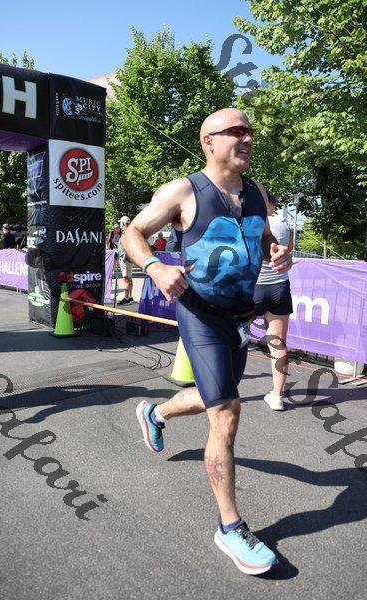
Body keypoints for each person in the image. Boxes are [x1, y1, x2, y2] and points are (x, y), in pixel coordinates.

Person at [122, 108, 292, 576]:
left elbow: (264, 240)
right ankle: (229, 527)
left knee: (214, 397)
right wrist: (154, 266)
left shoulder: (257, 193)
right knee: (227, 412)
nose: (247, 138)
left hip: (240, 317)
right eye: (236, 131)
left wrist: (277, 252)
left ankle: (155, 413)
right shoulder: (183, 191)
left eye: (249, 131)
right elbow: (133, 233)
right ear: (209, 141)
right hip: (199, 315)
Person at [254, 193, 294, 411]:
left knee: (233, 339)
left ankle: (225, 392)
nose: (274, 207)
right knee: (278, 343)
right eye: (273, 203)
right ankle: (277, 396)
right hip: (279, 286)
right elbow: (288, 254)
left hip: (255, 286)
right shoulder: (285, 225)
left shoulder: (252, 222)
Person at [117, 216, 134, 305]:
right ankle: (130, 297)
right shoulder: (129, 232)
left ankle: (126, 298)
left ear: (123, 223)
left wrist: (124, 257)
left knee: (126, 278)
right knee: (129, 278)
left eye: (120, 223)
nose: (120, 224)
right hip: (129, 259)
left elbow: (127, 246)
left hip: (126, 258)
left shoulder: (126, 233)